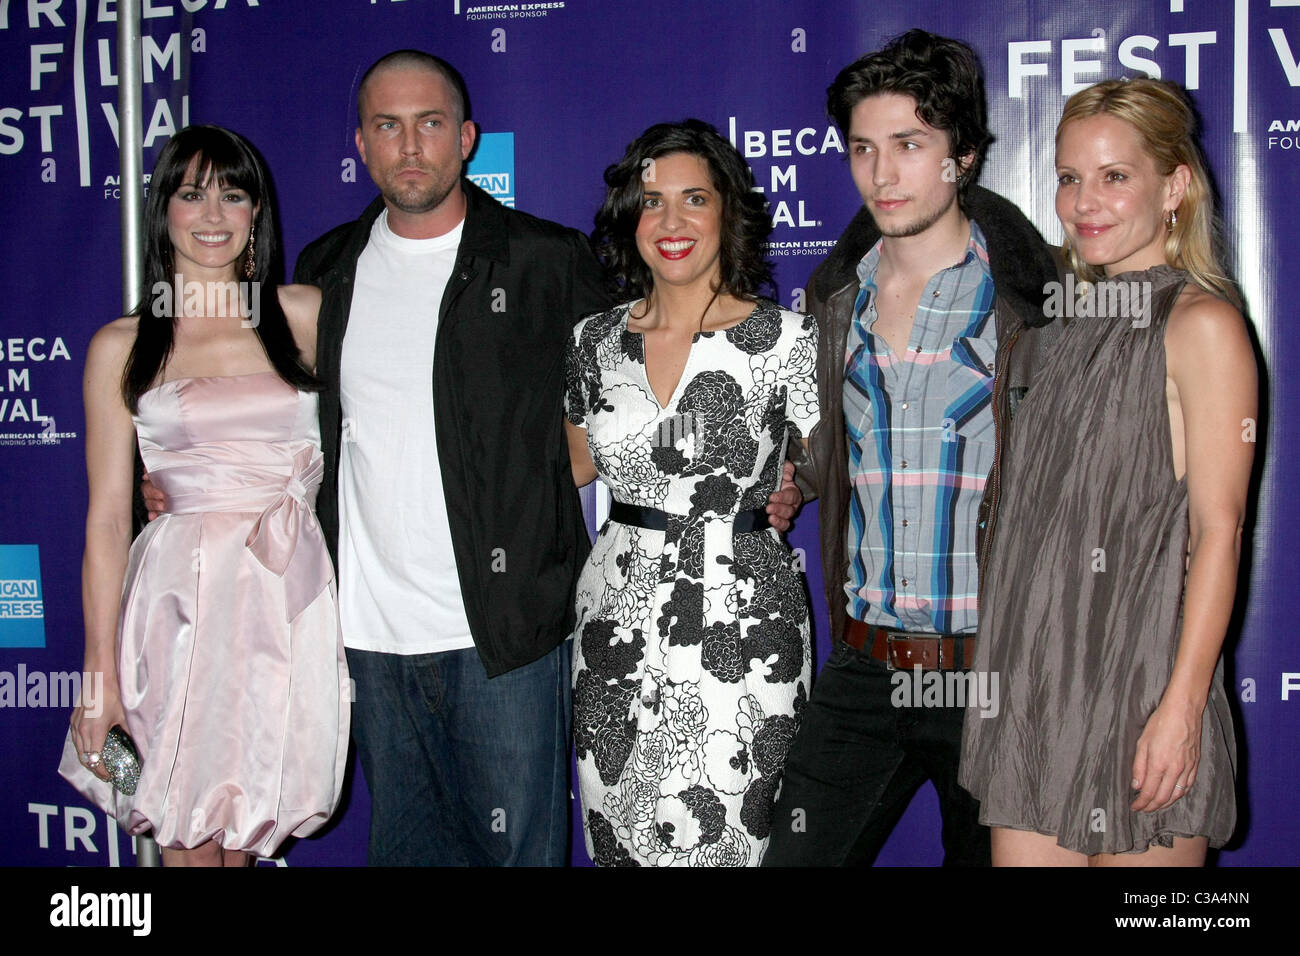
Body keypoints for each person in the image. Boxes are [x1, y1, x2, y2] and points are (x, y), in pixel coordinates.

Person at [288, 50, 616, 866]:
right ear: (360, 144)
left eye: (430, 123)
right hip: (366, 637)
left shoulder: (546, 261)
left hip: (503, 639)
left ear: (466, 137)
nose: (410, 146)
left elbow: (639, 398)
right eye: (387, 126)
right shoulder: (324, 272)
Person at [764, 30, 1061, 866]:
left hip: (992, 676)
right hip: (865, 666)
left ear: (962, 155)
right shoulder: (834, 300)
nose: (882, 174)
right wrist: (799, 480)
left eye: (909, 145)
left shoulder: (1032, 303)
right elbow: (841, 446)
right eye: (863, 148)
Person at [959, 77, 1254, 866]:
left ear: (1175, 187)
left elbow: (1218, 534)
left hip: (1142, 681)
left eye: (1114, 176)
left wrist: (1182, 709)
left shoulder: (1203, 325)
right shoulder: (1060, 333)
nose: (1083, 202)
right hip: (1033, 683)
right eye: (1068, 177)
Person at [60, 125, 350, 866]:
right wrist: (98, 681)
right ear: (164, 211)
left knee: (248, 831)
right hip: (176, 608)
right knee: (187, 840)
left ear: (258, 212)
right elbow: (103, 521)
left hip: (285, 601)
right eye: (191, 193)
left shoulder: (306, 316)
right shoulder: (119, 346)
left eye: (232, 192)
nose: (213, 211)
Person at [564, 120, 819, 866]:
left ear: (727, 214)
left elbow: (819, 463)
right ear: (629, 220)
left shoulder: (788, 340)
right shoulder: (593, 341)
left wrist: (792, 488)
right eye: (651, 202)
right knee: (624, 828)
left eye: (694, 199)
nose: (671, 222)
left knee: (739, 832)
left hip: (745, 612)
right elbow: (575, 466)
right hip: (616, 614)